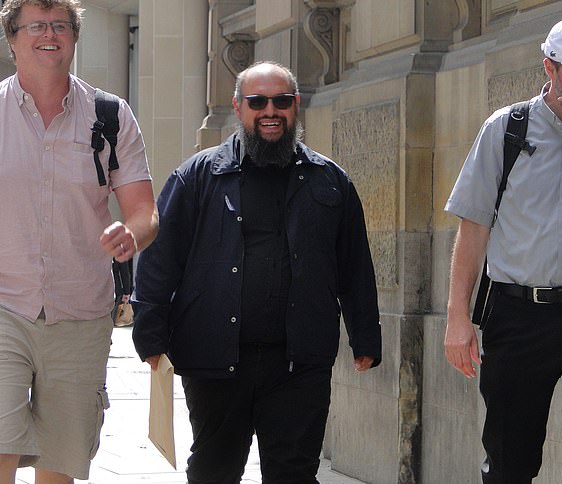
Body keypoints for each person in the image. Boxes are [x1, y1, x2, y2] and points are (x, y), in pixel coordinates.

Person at [132, 60, 382, 483]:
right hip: (214, 358)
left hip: (299, 362)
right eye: (258, 101)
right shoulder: (197, 176)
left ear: (296, 106)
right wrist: (150, 334)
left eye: (281, 101)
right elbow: (160, 260)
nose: (271, 110)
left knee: (295, 472)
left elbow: (355, 265)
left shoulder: (330, 181)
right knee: (215, 468)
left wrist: (365, 337)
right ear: (238, 107)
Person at [444, 14, 562, 483]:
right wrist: (456, 318)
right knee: (509, 462)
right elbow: (473, 227)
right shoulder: (505, 130)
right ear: (550, 69)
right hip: (518, 315)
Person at [0, 0, 158, 482]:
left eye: (60, 25)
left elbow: (144, 211)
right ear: (12, 40)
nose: (50, 34)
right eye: (36, 26)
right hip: (4, 305)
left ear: (73, 36)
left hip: (81, 311)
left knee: (61, 462)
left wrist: (130, 235)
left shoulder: (109, 116)